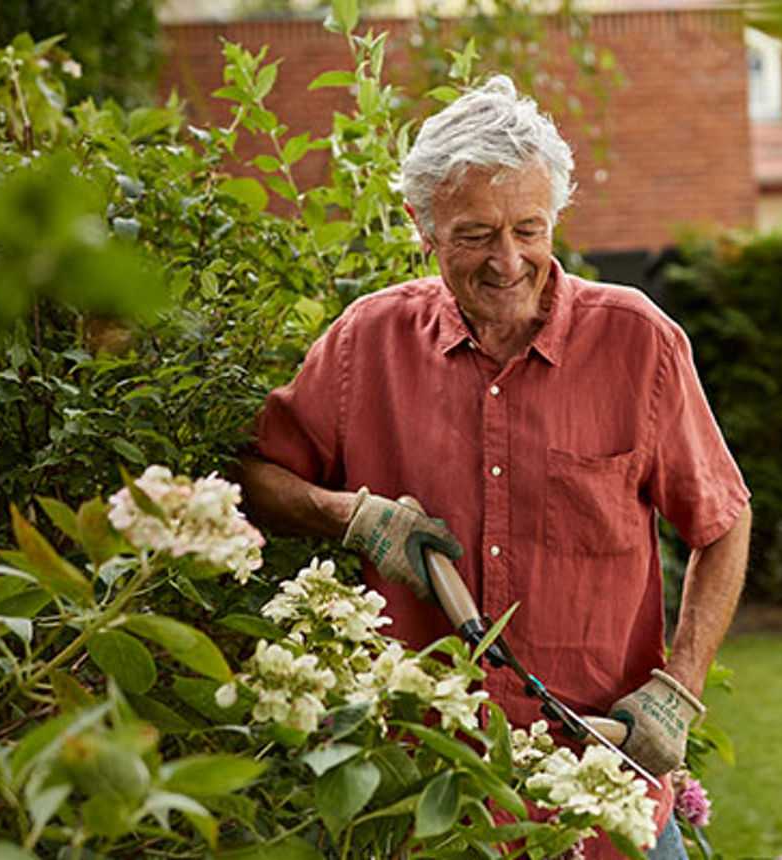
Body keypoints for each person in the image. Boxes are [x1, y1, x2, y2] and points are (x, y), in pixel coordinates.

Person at [238, 75, 751, 858]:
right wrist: (349, 514)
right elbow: (259, 475)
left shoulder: (637, 343)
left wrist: (679, 689)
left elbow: (723, 521)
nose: (508, 261)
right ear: (423, 227)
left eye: (529, 228)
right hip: (426, 803)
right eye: (475, 234)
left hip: (602, 798)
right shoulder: (364, 345)